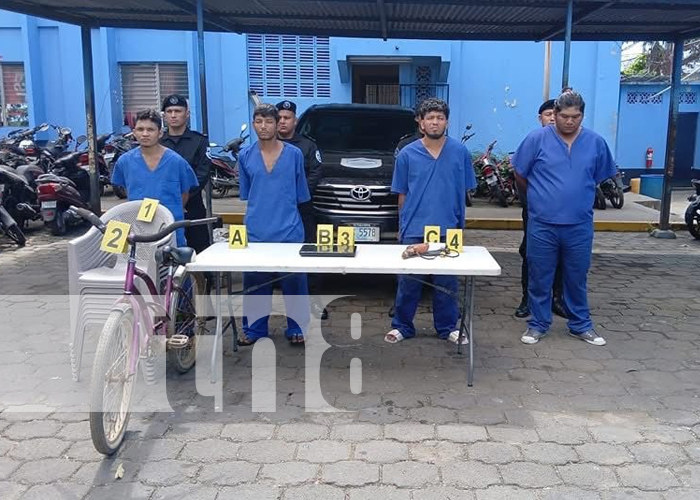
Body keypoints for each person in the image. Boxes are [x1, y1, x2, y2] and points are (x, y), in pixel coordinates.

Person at [513, 90, 616, 346]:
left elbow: (599, 176)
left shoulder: (595, 142)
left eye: (576, 116)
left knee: (577, 276)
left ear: (582, 115)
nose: (570, 121)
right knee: (540, 276)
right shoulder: (536, 140)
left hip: (579, 224)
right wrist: (540, 198)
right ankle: (537, 324)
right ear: (555, 115)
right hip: (543, 224)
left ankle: (581, 325)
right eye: (564, 116)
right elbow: (520, 174)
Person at [384, 98, 477, 344]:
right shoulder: (407, 154)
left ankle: (448, 328)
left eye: (440, 118)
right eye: (430, 118)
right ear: (421, 122)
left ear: (446, 121)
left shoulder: (460, 152)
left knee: (447, 283)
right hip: (415, 226)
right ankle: (402, 326)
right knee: (408, 281)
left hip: (449, 228)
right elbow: (402, 194)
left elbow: (466, 190)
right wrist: (402, 227)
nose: (435, 122)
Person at [237, 103, 311, 345]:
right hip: (257, 229)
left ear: (278, 123)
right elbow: (248, 193)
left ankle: (297, 328)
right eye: (258, 121)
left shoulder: (294, 155)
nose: (264, 126)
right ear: (254, 123)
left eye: (269, 121)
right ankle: (255, 330)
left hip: (289, 228)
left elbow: (301, 193)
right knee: (256, 282)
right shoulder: (245, 156)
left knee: (294, 282)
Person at [111, 109, 198, 247]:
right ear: (134, 132)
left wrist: (168, 212)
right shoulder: (124, 162)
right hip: (138, 227)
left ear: (160, 133)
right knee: (139, 265)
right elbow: (126, 189)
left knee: (171, 266)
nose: (145, 134)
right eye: (140, 129)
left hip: (170, 227)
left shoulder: (176, 162)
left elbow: (184, 193)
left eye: (150, 130)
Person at [515, 98, 567, 319]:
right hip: (536, 212)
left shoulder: (571, 143)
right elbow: (519, 174)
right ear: (540, 118)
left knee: (563, 256)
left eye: (556, 114)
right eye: (548, 114)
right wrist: (535, 200)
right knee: (531, 254)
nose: (552, 118)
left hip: (566, 214)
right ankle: (528, 299)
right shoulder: (534, 141)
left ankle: (557, 299)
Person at [275, 100, 327, 320]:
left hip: (301, 208)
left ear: (295, 121)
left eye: (287, 117)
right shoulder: (267, 146)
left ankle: (313, 302)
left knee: (307, 255)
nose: (283, 121)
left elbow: (315, 173)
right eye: (279, 118)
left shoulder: (307, 146)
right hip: (275, 211)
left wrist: (297, 195)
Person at [160, 94, 213, 253]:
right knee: (164, 248)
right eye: (169, 111)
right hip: (162, 204)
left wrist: (183, 195)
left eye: (178, 111)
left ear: (187, 114)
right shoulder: (158, 142)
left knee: (199, 249)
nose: (173, 115)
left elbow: (202, 173)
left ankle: (205, 279)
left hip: (192, 205)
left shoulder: (199, 141)